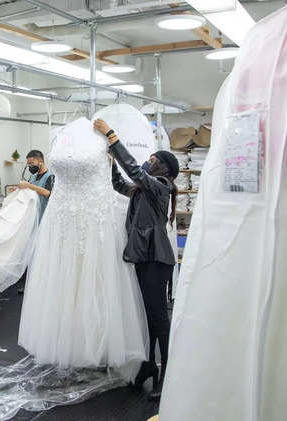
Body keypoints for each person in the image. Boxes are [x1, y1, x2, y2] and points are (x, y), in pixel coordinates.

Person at [93, 118, 179, 401]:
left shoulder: (161, 186)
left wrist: (113, 137)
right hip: (145, 258)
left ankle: (166, 376)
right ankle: (148, 367)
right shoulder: (144, 189)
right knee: (146, 318)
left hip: (157, 260)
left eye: (153, 159)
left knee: (158, 319)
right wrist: (109, 162)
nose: (147, 161)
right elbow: (121, 183)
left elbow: (135, 172)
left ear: (163, 168)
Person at [17, 149, 54, 222]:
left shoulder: (50, 176)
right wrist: (16, 188)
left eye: (31, 163)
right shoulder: (32, 177)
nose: (30, 166)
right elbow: (27, 190)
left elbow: (48, 193)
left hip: (43, 216)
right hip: (32, 215)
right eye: (28, 164)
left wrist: (29, 186)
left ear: (40, 161)